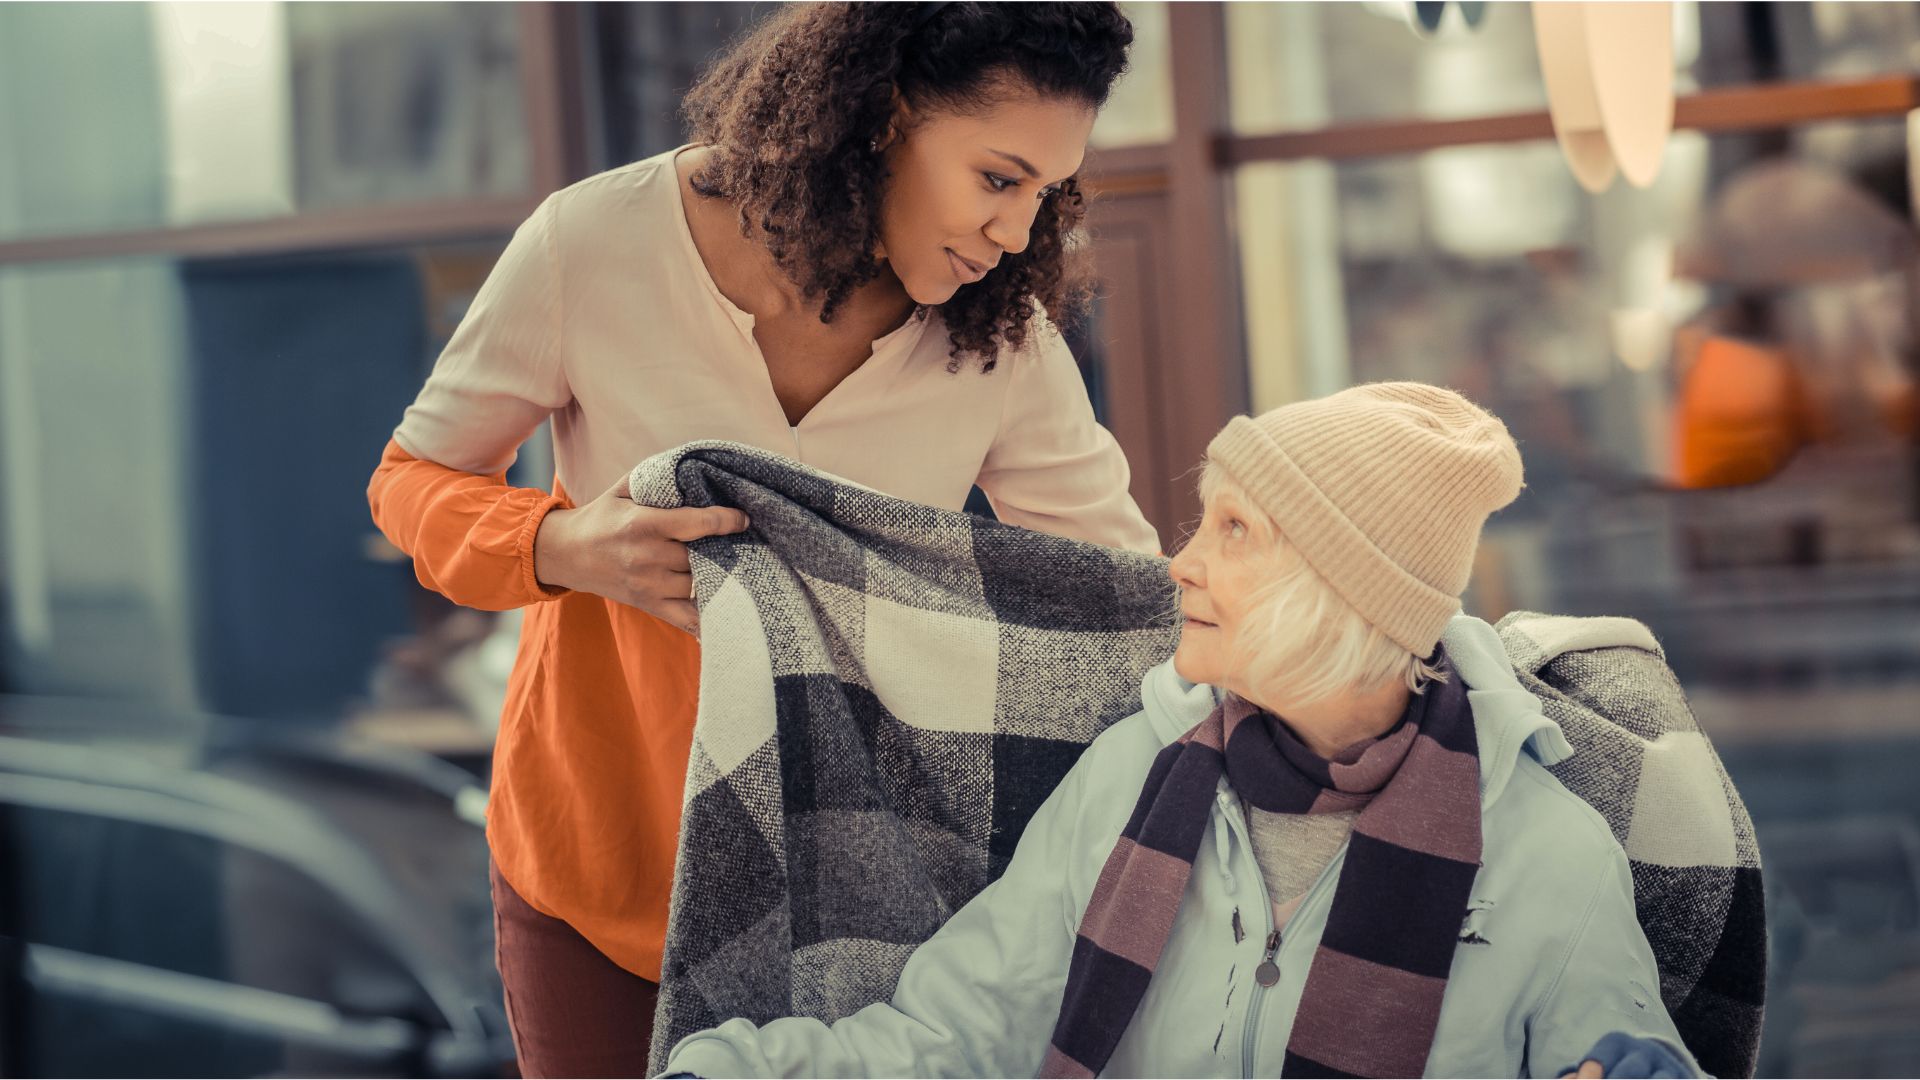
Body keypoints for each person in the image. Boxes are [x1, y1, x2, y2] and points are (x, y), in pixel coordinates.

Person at [365, 4, 1158, 1075]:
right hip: (597, 863)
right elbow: (412, 482)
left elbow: (1120, 594)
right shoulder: (591, 244)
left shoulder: (999, 341)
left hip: (850, 897)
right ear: (883, 117)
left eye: (1047, 194)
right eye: (998, 179)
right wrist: (563, 545)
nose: (1019, 233)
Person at [662, 384, 1700, 1079]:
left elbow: (1626, 1059)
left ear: (1348, 590)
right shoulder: (1133, 776)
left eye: (1237, 531)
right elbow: (955, 1041)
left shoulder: (1544, 851)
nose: (1181, 563)